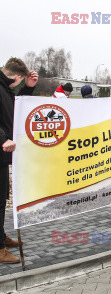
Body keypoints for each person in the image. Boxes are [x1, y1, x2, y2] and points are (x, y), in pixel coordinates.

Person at [0, 58, 38, 263]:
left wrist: (29, 89)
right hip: (2, 147)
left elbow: (14, 108)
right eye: (20, 82)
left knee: (1, 198)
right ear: (16, 77)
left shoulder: (4, 89)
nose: (18, 84)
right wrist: (3, 138)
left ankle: (1, 238)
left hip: (3, 154)